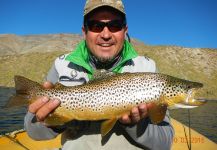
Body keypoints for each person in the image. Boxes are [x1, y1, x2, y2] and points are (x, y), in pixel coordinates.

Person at [24, 0, 174, 149]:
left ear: (125, 30)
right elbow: (32, 131)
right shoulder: (61, 65)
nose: (106, 34)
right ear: (84, 31)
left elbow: (164, 143)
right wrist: (56, 121)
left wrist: (135, 125)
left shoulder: (148, 69)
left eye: (115, 25)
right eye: (96, 26)